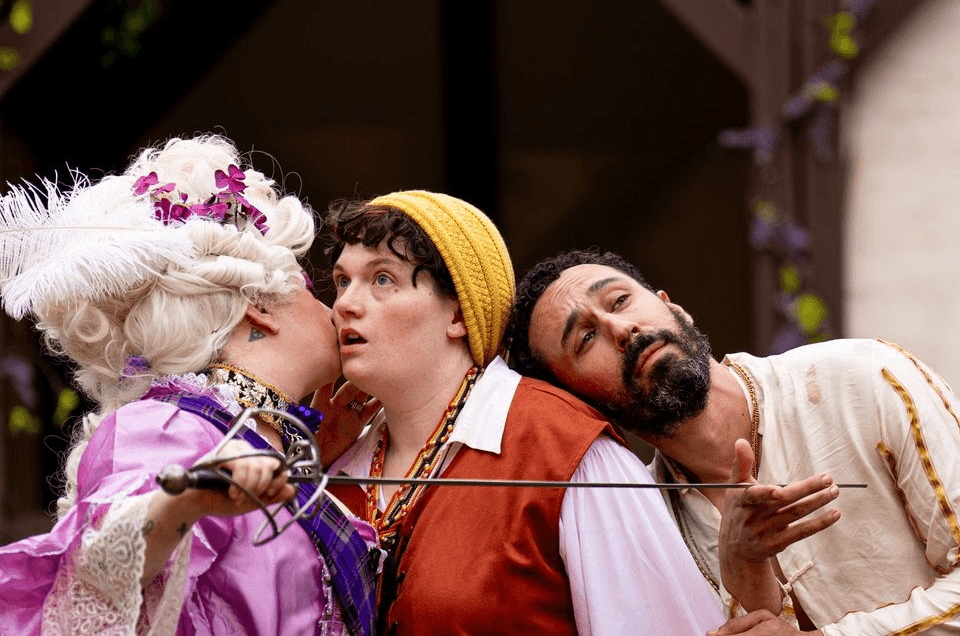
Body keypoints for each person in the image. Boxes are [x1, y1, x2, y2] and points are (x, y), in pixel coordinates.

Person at [0, 135, 380, 636]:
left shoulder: (240, 437)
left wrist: (309, 459)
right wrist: (186, 499)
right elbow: (101, 564)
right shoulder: (167, 426)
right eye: (310, 285)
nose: (335, 307)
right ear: (259, 307)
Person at [322, 191, 724, 635]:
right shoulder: (336, 466)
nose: (345, 304)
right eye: (342, 281)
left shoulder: (565, 448)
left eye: (382, 279)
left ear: (458, 313)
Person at [505, 247, 960, 636]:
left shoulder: (864, 378)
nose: (622, 329)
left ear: (672, 307)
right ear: (581, 405)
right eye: (586, 338)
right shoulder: (643, 528)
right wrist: (747, 577)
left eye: (620, 300)